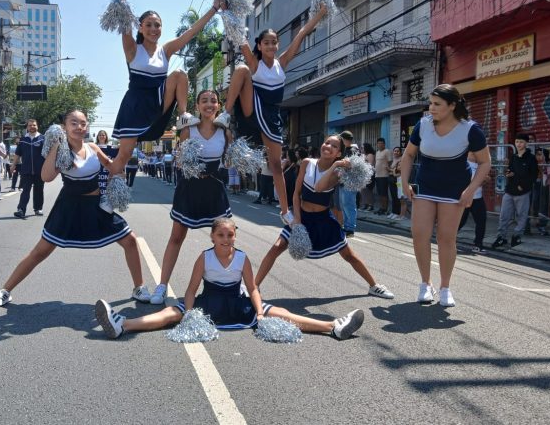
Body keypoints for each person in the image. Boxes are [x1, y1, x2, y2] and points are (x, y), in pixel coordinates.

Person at [95, 217, 365, 340]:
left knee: (278, 312)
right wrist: (190, 313)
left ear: (235, 236)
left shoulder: (242, 258)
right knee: (171, 312)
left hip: (238, 306)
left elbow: (253, 288)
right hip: (207, 304)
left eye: (230, 235)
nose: (225, 240)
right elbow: (190, 289)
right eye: (220, 236)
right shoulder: (204, 256)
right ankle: (123, 325)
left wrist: (259, 311)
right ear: (212, 237)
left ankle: (332, 326)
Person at [0, 110, 152, 308]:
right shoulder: (61, 151)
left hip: (97, 206)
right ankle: (5, 290)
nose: (79, 127)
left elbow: (111, 166)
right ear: (64, 127)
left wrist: (121, 166)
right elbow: (46, 177)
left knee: (130, 240)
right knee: (40, 252)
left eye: (82, 123)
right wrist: (56, 145)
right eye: (73, 123)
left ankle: (139, 287)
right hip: (69, 207)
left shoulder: (92, 147)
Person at [103, 0, 223, 180]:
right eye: (148, 24)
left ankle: (184, 116)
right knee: (123, 156)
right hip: (135, 104)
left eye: (157, 25)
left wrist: (214, 8)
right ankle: (110, 198)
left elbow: (192, 32)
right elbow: (124, 23)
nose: (153, 28)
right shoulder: (133, 49)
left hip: (158, 101)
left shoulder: (165, 50)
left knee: (179, 74)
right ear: (140, 27)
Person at [217, 6, 328, 226]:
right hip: (253, 107)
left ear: (277, 45)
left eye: (274, 42)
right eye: (266, 42)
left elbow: (302, 33)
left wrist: (320, 13)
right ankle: (226, 114)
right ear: (259, 45)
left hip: (272, 116)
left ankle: (285, 212)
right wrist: (227, 11)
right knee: (240, 69)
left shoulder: (282, 63)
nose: (271, 46)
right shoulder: (255, 63)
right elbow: (240, 36)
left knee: (276, 165)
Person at [254, 134, 394, 300]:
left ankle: (374, 286)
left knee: (349, 255)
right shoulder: (306, 162)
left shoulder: (338, 173)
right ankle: (254, 286)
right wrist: (297, 220)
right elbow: (297, 194)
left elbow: (319, 187)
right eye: (327, 142)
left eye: (334, 146)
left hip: (324, 220)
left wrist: (335, 166)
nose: (328, 146)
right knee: (276, 248)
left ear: (339, 154)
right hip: (303, 216)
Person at [399, 84, 490, 307]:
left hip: (454, 189)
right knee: (420, 233)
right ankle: (425, 284)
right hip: (425, 185)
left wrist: (470, 190)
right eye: (430, 103)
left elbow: (485, 162)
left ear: (452, 105)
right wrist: (404, 183)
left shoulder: (470, 129)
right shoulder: (423, 124)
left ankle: (445, 287)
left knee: (446, 238)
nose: (431, 108)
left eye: (437, 104)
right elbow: (409, 155)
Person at [147, 89, 233, 305]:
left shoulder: (225, 132)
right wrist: (186, 162)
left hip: (214, 189)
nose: (209, 104)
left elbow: (229, 161)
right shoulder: (187, 131)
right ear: (197, 106)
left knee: (224, 238)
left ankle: (232, 283)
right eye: (204, 101)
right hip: (190, 188)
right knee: (176, 237)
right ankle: (161, 286)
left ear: (219, 106)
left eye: (213, 101)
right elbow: (179, 161)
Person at [491, 133, 538, 250]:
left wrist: (522, 185)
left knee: (521, 216)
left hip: (522, 192)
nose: (518, 144)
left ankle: (517, 236)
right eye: (517, 142)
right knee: (504, 215)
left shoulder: (531, 158)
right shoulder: (513, 157)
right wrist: (509, 173)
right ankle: (501, 237)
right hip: (510, 191)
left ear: (526, 143)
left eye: (521, 142)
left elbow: (533, 176)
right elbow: (510, 171)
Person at [11, 119, 45, 219]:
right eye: (30, 125)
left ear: (37, 126)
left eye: (34, 125)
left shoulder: (43, 138)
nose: (32, 127)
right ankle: (21, 210)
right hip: (26, 170)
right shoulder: (23, 140)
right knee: (25, 190)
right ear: (27, 127)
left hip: (40, 170)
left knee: (39, 190)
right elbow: (17, 154)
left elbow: (48, 154)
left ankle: (38, 208)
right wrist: (13, 165)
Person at [458, 153, 488, 253]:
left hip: (477, 198)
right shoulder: (464, 164)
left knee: (481, 221)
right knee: (460, 222)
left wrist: (485, 180)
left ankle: (478, 245)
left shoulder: (480, 165)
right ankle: (446, 241)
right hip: (465, 198)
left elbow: (483, 180)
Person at [338, 131, 358, 235]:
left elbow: (351, 165)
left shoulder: (353, 150)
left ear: (344, 139)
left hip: (350, 181)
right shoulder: (346, 149)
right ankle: (346, 226)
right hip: (344, 181)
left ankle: (350, 228)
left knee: (348, 204)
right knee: (344, 205)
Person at [374, 138, 393, 215]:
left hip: (384, 175)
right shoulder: (377, 152)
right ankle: (382, 208)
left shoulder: (387, 151)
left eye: (382, 143)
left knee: (384, 193)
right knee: (380, 193)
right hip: (377, 175)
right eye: (379, 143)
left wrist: (388, 170)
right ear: (377, 144)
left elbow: (390, 162)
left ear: (384, 144)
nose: (380, 144)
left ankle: (385, 209)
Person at [360, 143, 376, 211]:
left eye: (362, 148)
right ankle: (365, 204)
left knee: (369, 191)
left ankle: (370, 205)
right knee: (363, 190)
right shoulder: (363, 155)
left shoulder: (370, 155)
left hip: (369, 175)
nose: (361, 149)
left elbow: (370, 165)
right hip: (363, 174)